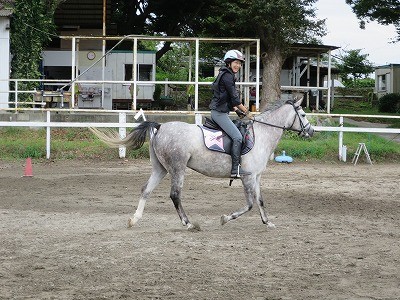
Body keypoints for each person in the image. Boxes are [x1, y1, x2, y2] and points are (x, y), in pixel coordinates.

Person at [209, 49, 253, 178]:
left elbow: (226, 97)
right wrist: (247, 112)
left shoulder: (226, 74)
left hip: (221, 111)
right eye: (235, 62)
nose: (238, 66)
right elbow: (235, 98)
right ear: (229, 62)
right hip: (219, 113)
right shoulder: (228, 76)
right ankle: (235, 169)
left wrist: (236, 109)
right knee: (238, 137)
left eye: (239, 63)